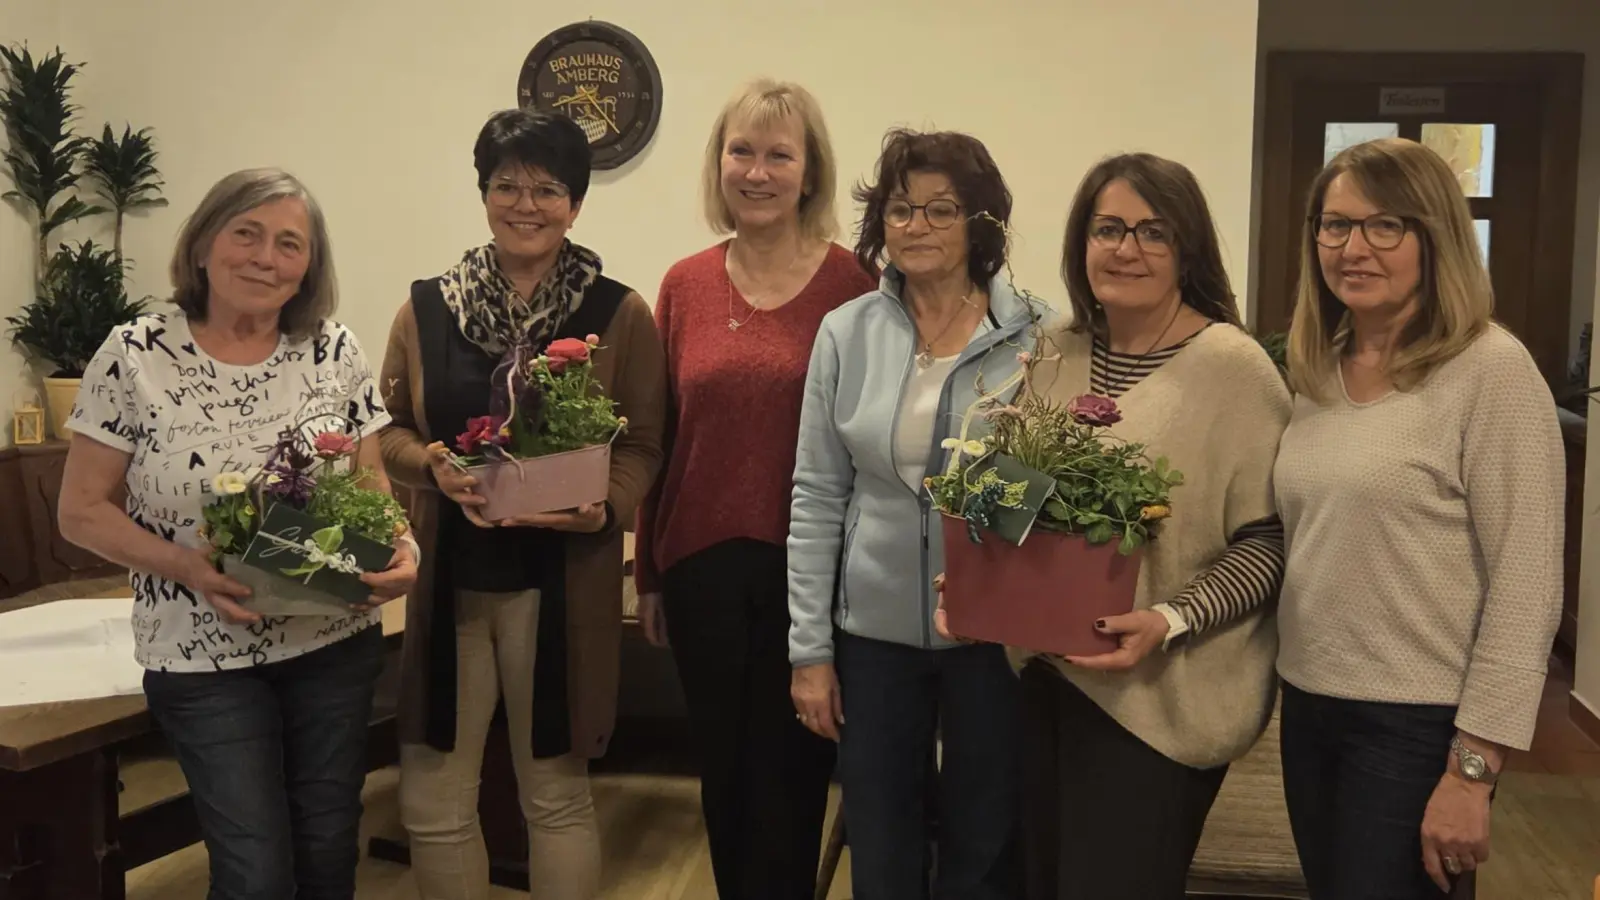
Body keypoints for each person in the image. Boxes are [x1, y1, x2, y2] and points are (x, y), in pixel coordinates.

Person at [57, 167, 417, 900]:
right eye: (246, 233)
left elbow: (371, 486)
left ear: (309, 265)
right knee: (254, 873)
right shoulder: (135, 354)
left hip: (331, 640)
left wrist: (403, 549)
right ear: (202, 245)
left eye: (289, 243)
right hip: (202, 659)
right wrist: (190, 567)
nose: (265, 257)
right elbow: (81, 510)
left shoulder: (333, 349)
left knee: (327, 852)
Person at [961, 153, 1292, 900]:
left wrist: (1171, 619)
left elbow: (1270, 541)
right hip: (1048, 685)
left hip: (1160, 704)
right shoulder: (1058, 351)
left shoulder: (1233, 370)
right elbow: (1015, 496)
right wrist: (978, 583)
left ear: (1187, 250)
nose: (1126, 248)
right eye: (1108, 228)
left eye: (1153, 232)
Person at [378, 108, 665, 900]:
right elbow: (390, 429)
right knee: (433, 798)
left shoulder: (618, 313)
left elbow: (644, 444)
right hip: (449, 582)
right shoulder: (425, 310)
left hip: (561, 585)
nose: (525, 205)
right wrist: (430, 466)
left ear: (576, 203)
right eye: (507, 185)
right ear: (484, 194)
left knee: (556, 796)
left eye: (547, 189)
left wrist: (603, 506)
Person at [1274, 137, 1564, 899]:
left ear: (1435, 237)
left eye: (1385, 225)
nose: (1353, 248)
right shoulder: (1317, 369)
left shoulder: (1490, 370)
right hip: (1310, 704)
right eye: (1335, 225)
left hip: (1417, 723)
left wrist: (1473, 770)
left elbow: (1527, 584)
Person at [788, 127, 1048, 899]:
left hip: (992, 634)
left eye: (942, 209)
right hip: (872, 634)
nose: (918, 227)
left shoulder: (1035, 334)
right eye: (901, 209)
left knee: (986, 832)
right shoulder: (847, 333)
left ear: (981, 223)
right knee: (880, 832)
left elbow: (1047, 486)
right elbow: (817, 494)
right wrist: (810, 651)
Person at [632, 78, 874, 900]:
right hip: (699, 568)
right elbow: (660, 437)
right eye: (742, 151)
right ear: (719, 163)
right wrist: (649, 572)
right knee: (724, 773)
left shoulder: (854, 284)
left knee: (792, 774)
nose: (758, 171)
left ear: (810, 172)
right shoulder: (684, 285)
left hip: (811, 572)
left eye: (779, 155)